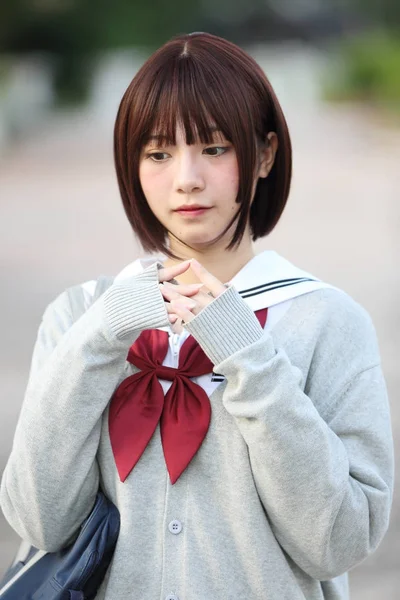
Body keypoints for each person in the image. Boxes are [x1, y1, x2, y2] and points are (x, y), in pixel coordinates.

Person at [0, 32, 394, 600]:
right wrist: (101, 340)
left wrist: (247, 355)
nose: (186, 178)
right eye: (158, 153)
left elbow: (339, 541)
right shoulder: (82, 316)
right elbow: (39, 521)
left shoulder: (326, 321)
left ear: (264, 155)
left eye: (214, 148)